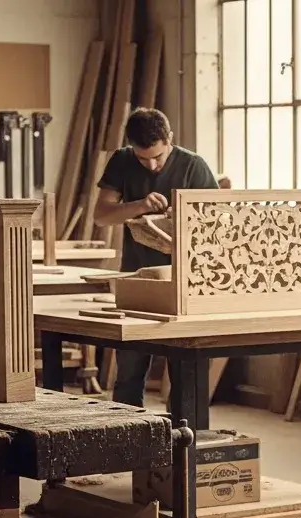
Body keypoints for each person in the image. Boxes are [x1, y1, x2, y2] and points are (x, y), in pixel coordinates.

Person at [93, 107, 220, 406]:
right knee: (129, 370)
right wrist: (139, 206)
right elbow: (101, 215)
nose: (151, 165)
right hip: (137, 278)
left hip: (184, 283)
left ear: (169, 138)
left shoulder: (193, 166)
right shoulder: (122, 160)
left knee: (186, 372)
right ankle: (127, 430)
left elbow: (219, 223)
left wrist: (185, 216)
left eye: (158, 157)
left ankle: (185, 432)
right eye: (143, 159)